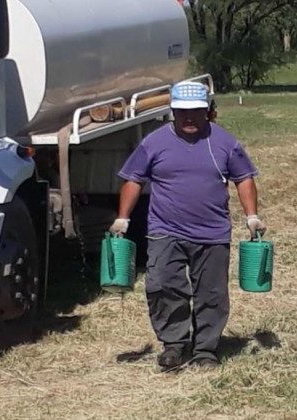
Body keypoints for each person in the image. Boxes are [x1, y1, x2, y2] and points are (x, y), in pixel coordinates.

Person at [109, 81, 266, 370]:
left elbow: (244, 177)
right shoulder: (154, 143)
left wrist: (251, 216)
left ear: (207, 110)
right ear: (172, 112)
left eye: (196, 111)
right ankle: (174, 345)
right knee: (163, 286)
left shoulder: (225, 142)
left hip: (212, 232)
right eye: (182, 112)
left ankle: (206, 349)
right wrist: (123, 217)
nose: (189, 118)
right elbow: (133, 179)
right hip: (164, 229)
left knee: (212, 292)